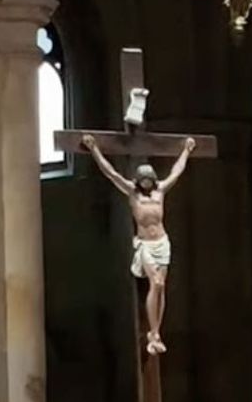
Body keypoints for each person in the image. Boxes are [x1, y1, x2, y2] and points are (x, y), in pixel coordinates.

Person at [82, 133, 197, 354]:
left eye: (148, 179)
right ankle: (153, 333)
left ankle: (156, 332)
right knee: (156, 282)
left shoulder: (160, 191)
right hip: (145, 244)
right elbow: (111, 173)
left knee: (161, 286)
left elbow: (176, 172)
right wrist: (94, 148)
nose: (146, 183)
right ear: (138, 180)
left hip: (162, 241)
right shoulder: (132, 193)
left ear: (152, 179)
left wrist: (186, 150)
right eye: (142, 179)